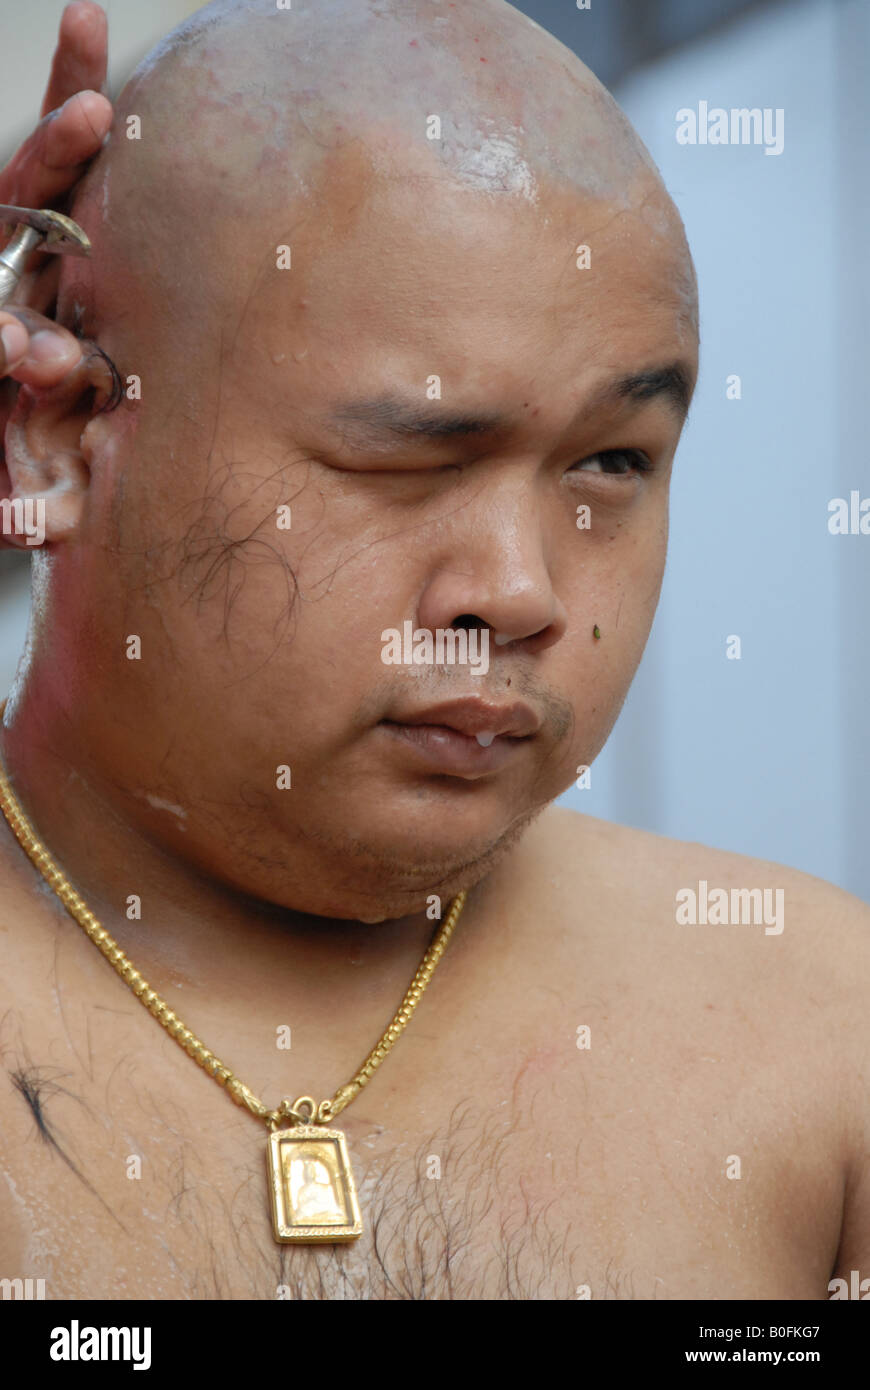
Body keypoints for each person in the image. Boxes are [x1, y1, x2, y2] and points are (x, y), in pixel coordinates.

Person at [0, 0, 867, 1302]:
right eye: (409, 457)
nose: (519, 591)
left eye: (609, 461)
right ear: (59, 439)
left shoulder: (819, 1028)